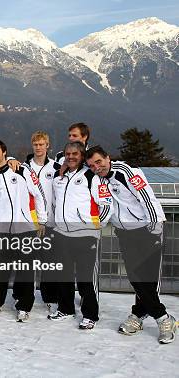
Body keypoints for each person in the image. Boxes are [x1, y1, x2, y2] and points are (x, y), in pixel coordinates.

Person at [86, 146, 177, 344]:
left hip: (147, 229)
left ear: (107, 158)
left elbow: (147, 198)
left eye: (99, 162)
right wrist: (95, 226)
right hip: (125, 233)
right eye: (92, 165)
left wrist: (154, 226)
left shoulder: (127, 172)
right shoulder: (98, 181)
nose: (96, 167)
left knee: (146, 279)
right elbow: (107, 206)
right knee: (137, 278)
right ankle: (143, 314)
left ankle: (161, 319)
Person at [0, 140, 47, 322]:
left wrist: (41, 221)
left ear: (4, 152)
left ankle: (24, 306)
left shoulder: (22, 170)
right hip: (1, 231)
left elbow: (39, 194)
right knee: (0, 270)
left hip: (25, 229)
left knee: (25, 270)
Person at [48, 142, 112, 330]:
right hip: (62, 234)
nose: (71, 157)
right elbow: (54, 204)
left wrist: (93, 227)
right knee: (63, 275)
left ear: (82, 155)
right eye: (68, 154)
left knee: (85, 278)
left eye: (75, 153)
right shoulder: (59, 177)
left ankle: (90, 314)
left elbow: (106, 204)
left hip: (85, 236)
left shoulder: (91, 176)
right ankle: (66, 309)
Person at [24, 131, 62, 313]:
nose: (38, 148)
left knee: (48, 261)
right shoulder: (24, 168)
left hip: (50, 222)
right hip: (29, 222)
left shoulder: (56, 168)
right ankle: (26, 296)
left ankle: (49, 296)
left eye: (42, 144)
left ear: (48, 146)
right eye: (35, 145)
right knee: (28, 261)